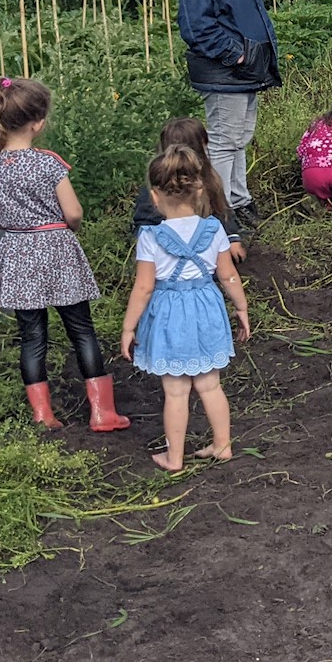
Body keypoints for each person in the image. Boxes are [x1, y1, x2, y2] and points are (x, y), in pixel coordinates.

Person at [0, 75, 130, 433]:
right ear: (38, 122)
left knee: (31, 336)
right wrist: (62, 228)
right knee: (81, 329)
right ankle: (102, 413)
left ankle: (43, 415)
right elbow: (73, 212)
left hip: (18, 251)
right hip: (57, 247)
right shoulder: (49, 164)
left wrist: (18, 226)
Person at [120, 144, 253, 472]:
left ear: (154, 197)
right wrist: (242, 309)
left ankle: (174, 457)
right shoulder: (214, 229)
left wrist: (128, 327)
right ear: (199, 189)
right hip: (207, 309)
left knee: (176, 391)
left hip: (170, 315)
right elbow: (228, 276)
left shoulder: (151, 237)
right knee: (210, 385)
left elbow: (144, 287)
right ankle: (222, 445)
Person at [178, 0, 281, 231]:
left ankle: (239, 200)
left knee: (238, 139)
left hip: (243, 72)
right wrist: (235, 53)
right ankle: (220, 213)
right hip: (226, 72)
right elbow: (195, 25)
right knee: (224, 142)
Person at [131, 117, 242, 250]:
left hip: (204, 244)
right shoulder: (158, 183)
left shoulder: (208, 176)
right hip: (167, 248)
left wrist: (232, 237)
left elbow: (221, 210)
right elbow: (144, 225)